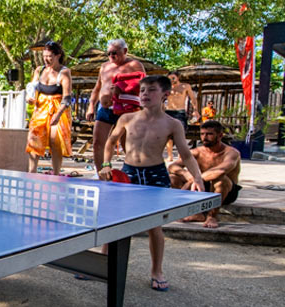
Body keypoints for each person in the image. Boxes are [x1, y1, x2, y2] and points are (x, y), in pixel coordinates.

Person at [98, 75, 205, 292]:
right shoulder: (127, 118)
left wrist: (198, 177)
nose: (145, 94)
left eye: (151, 90)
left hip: (155, 175)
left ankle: (157, 270)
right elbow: (109, 142)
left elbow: (185, 154)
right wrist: (106, 164)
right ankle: (101, 264)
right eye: (143, 90)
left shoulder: (173, 124)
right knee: (114, 221)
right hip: (128, 173)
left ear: (165, 95)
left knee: (154, 226)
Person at [86, 39, 145, 172]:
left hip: (126, 109)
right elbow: (97, 87)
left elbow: (143, 86)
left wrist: (123, 88)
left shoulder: (135, 65)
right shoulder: (104, 66)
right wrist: (91, 105)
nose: (111, 56)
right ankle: (101, 173)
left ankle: (132, 172)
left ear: (125, 51)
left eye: (115, 53)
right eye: (109, 53)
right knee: (97, 143)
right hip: (105, 108)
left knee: (127, 144)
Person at [169, 120, 241, 228]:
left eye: (209, 134)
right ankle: (196, 213)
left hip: (226, 191)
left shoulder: (231, 153)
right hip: (200, 187)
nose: (204, 137)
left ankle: (212, 216)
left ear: (220, 135)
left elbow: (220, 171)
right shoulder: (197, 152)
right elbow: (172, 166)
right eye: (202, 134)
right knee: (173, 178)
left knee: (221, 180)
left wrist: (194, 180)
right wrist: (187, 175)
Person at [25, 40, 72, 175]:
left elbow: (67, 97)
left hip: (58, 108)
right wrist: (30, 99)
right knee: (35, 139)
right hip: (41, 108)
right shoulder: (39, 70)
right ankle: (31, 172)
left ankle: (56, 173)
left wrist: (58, 115)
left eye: (49, 56)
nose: (46, 59)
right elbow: (32, 89)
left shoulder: (64, 72)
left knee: (54, 140)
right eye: (44, 56)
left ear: (58, 56)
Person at [164, 71, 200, 161]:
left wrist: (196, 110)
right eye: (169, 78)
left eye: (173, 78)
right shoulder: (166, 88)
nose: (171, 80)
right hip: (168, 111)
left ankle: (181, 156)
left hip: (180, 112)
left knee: (180, 134)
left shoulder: (185, 86)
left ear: (178, 77)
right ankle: (170, 156)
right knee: (168, 135)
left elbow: (193, 99)